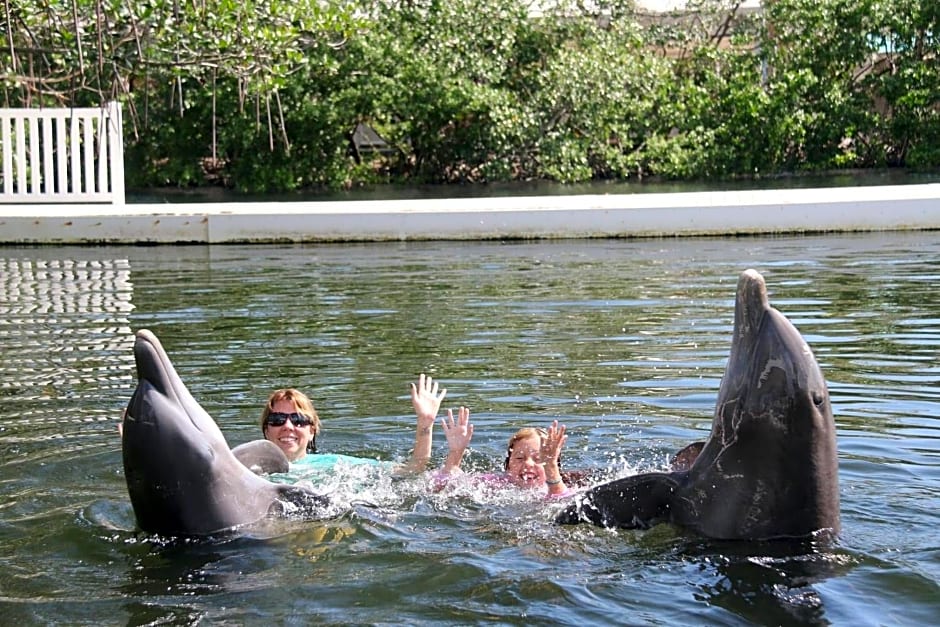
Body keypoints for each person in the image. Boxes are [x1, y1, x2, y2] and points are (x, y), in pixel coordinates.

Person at [260, 373, 446, 475]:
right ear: (266, 430)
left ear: (312, 431)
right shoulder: (246, 468)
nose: (288, 426)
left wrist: (425, 423)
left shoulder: (335, 465)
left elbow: (413, 469)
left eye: (298, 420)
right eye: (277, 420)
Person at [434, 406, 573, 498]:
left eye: (538, 459)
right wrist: (456, 452)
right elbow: (442, 486)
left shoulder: (570, 490)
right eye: (519, 458)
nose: (528, 464)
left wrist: (551, 466)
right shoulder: (494, 484)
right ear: (508, 465)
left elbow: (561, 501)